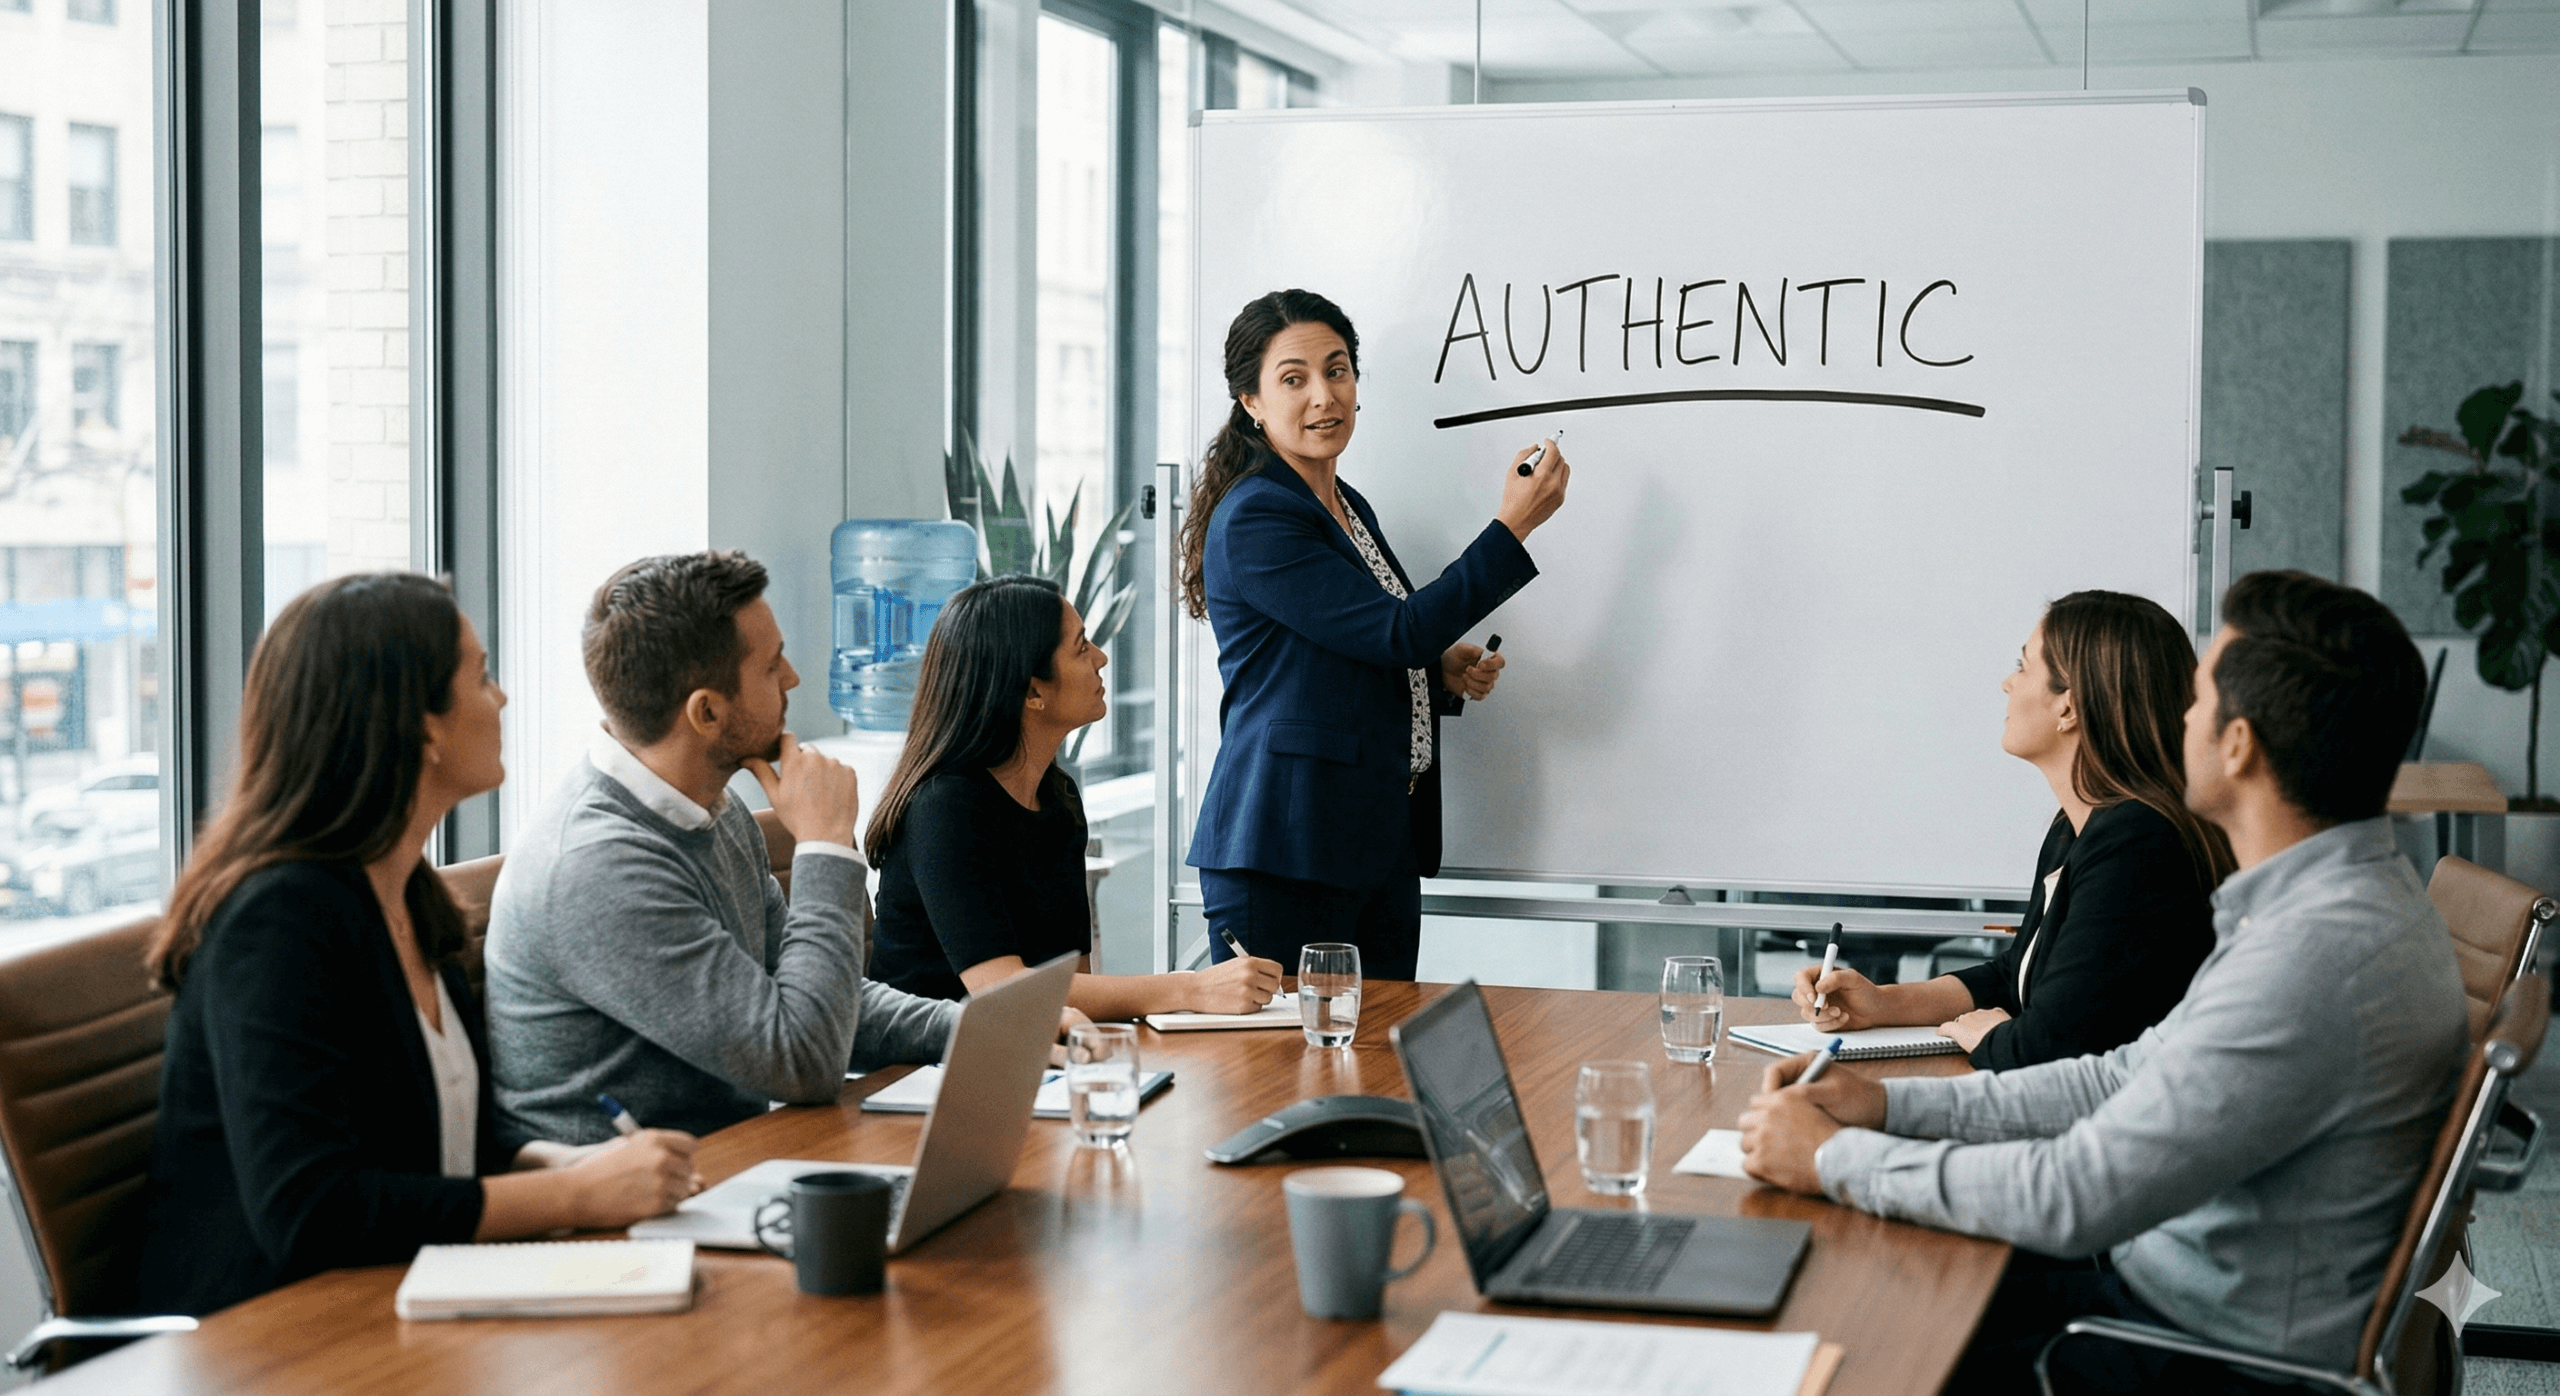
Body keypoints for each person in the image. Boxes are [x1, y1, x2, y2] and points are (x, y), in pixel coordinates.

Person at [1739, 570, 2464, 1393]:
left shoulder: (2312, 957)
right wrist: (1886, 1106)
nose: (2178, 717)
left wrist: (1837, 1160)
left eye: (2196, 699)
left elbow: (2077, 1192)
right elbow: (2121, 1076)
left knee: (1850, 1332)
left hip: (2191, 1352)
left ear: (2237, 745)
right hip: (2162, 1296)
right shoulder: (2333, 904)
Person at [137, 574, 697, 1318]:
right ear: (420, 724)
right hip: (264, 1338)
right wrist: (570, 1195)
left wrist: (568, 1163)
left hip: (400, 1300)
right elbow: (313, 1210)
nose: (501, 699)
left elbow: (424, 1147)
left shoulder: (408, 897)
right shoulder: (276, 921)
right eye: (482, 676)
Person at [485, 551, 960, 1145]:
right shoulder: (599, 867)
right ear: (707, 712)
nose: (793, 677)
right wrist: (826, 845)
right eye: (770, 666)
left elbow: (818, 1001)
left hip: (731, 1168)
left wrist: (978, 1028)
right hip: (624, 1215)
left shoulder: (716, 809)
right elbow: (805, 1059)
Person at [1184, 289, 1572, 980]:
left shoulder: (1343, 503)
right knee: (1285, 1080)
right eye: (1293, 379)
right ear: (1251, 402)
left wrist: (1434, 669)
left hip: (1366, 841)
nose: (1323, 397)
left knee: (1371, 1075)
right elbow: (1396, 630)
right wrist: (1512, 527)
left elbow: (1358, 644)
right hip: (1285, 850)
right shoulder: (1259, 515)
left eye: (1337, 371)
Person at [1792, 591, 2236, 1068]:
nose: (2007, 683)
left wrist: (1994, 1036)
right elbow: (2017, 975)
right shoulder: (2078, 825)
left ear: (2069, 708)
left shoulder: (2139, 843)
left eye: (2023, 667)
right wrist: (1883, 1003)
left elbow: (2048, 1046)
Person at [866, 576, 1285, 1015]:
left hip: (1030, 1056)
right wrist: (1190, 990)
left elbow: (1072, 983)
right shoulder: (944, 807)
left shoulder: (1058, 798)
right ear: (1032, 691)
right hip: (921, 1071)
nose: (1102, 658)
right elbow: (1003, 989)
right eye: (1082, 647)